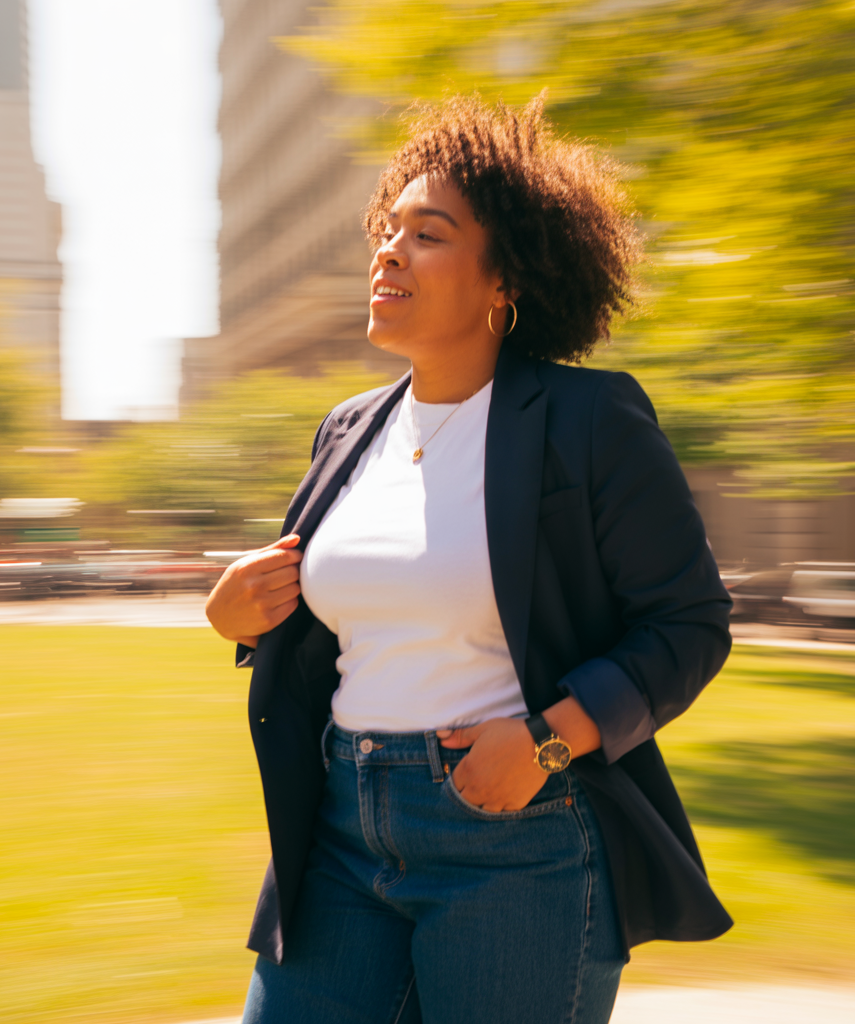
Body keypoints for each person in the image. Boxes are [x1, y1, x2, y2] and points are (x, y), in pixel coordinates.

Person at [205, 95, 733, 1024]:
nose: (390, 252)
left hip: (516, 841)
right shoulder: (347, 429)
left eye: (430, 234)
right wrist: (238, 619)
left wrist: (547, 739)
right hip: (337, 830)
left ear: (504, 281)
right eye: (388, 230)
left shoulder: (589, 421)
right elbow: (359, 619)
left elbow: (688, 626)